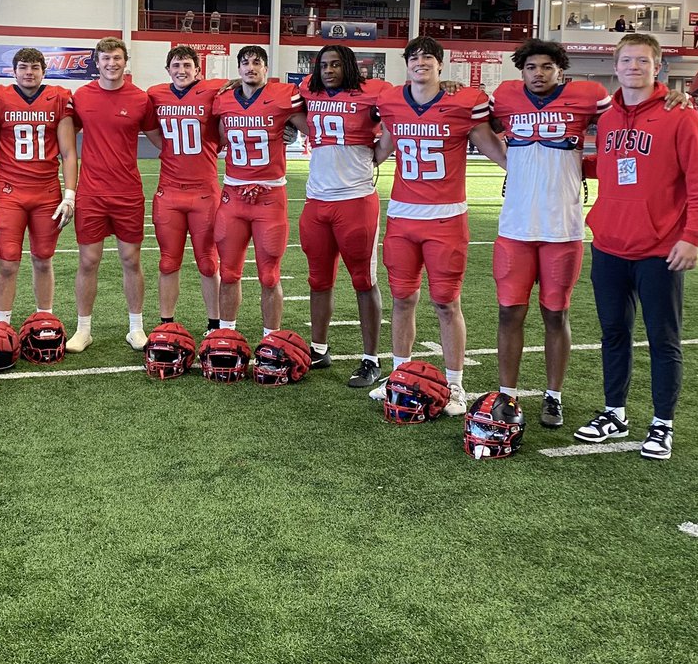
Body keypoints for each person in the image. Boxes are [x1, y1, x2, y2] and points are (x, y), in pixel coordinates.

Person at [575, 33, 698, 460]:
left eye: (642, 60)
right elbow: (614, 167)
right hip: (611, 244)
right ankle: (614, 412)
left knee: (663, 337)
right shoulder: (610, 116)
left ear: (658, 67)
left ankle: (661, 423)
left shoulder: (681, 114)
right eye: (626, 60)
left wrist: (692, 236)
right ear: (614, 66)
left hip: (661, 249)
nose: (633, 67)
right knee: (613, 333)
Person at [370, 36, 506, 415]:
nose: (421, 62)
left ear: (441, 65)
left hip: (446, 218)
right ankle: (399, 372)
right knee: (402, 299)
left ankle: (456, 384)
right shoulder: (392, 102)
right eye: (414, 58)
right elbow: (381, 148)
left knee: (446, 303)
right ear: (406, 65)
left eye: (428, 57)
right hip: (401, 215)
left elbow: (494, 147)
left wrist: (525, 173)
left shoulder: (463, 102)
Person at [489, 40, 610, 427]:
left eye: (546, 67)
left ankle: (553, 395)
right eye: (530, 67)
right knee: (509, 312)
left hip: (562, 227)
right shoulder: (505, 97)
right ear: (520, 72)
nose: (537, 73)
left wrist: (588, 166)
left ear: (561, 70)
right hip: (515, 227)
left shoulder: (589, 97)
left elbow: (623, 129)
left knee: (555, 314)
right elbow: (471, 120)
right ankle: (506, 393)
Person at [295, 44, 386, 388]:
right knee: (318, 280)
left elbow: (401, 113)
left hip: (355, 199)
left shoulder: (373, 92)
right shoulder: (308, 89)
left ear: (349, 66)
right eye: (323, 65)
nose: (328, 70)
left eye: (335, 64)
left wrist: (380, 152)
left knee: (364, 280)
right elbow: (280, 107)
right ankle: (318, 348)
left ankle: (370, 358)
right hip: (317, 200)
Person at [0, 47, 78, 325]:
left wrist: (69, 196)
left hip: (47, 192)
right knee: (7, 263)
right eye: (23, 67)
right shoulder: (0, 97)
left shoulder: (59, 98)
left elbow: (68, 152)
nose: (29, 73)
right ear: (13, 70)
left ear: (44, 71)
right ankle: (1, 324)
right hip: (10, 192)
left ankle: (45, 321)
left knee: (43, 259)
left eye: (34, 68)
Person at [65, 37, 159, 352]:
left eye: (117, 58)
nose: (111, 64)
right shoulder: (82, 96)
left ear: (125, 61)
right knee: (88, 261)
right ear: (96, 62)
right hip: (91, 193)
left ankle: (136, 328)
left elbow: (163, 140)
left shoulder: (140, 99)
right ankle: (83, 329)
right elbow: (65, 137)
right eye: (105, 58)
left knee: (131, 260)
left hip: (128, 193)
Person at [211, 45, 303, 335]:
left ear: (266, 68)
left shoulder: (283, 96)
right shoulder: (224, 99)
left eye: (257, 62)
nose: (251, 67)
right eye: (245, 63)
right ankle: (226, 333)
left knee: (269, 275)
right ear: (238, 69)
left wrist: (294, 129)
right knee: (228, 272)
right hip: (233, 196)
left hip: (270, 197)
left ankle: (270, 338)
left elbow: (315, 124)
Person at [147, 45, 225, 333]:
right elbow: (156, 136)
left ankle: (214, 324)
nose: (182, 70)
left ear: (198, 70)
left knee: (208, 261)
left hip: (205, 191)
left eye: (187, 65)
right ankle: (166, 323)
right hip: (169, 191)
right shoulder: (155, 94)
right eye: (176, 65)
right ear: (168, 69)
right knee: (168, 261)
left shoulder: (213, 90)